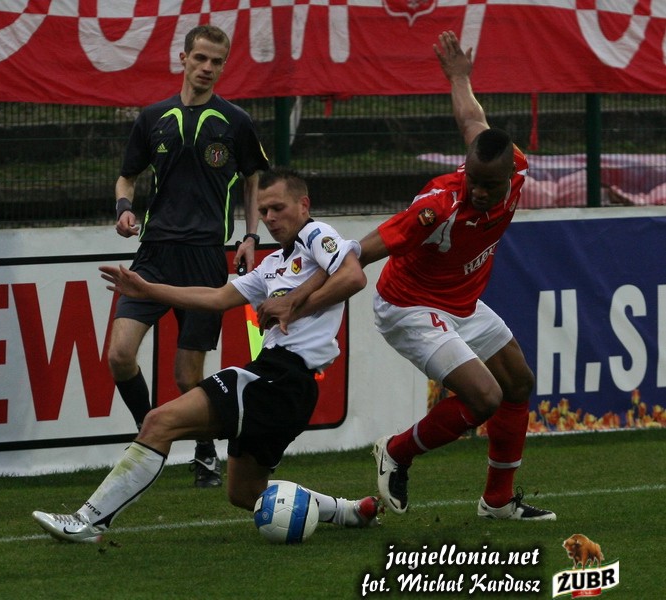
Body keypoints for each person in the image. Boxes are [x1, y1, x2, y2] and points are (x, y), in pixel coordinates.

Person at [32, 168, 381, 543]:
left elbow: (353, 277)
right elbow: (216, 298)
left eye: (278, 208)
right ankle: (347, 511)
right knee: (244, 494)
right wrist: (149, 290)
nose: (269, 218)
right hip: (284, 388)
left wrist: (292, 304)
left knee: (159, 421)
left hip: (280, 376)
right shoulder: (272, 264)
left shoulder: (316, 234)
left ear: (304, 205)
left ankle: (88, 522)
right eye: (263, 211)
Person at [357, 31, 556, 520]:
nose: (480, 192)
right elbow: (362, 250)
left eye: (490, 185)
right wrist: (301, 294)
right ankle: (396, 452)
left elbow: (473, 122)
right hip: (409, 305)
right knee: (484, 396)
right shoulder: (439, 206)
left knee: (516, 383)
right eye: (473, 181)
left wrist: (460, 77)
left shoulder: (515, 171)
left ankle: (498, 501)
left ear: (510, 176)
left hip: (459, 303)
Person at [111, 25, 270, 488]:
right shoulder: (152, 117)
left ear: (223, 66)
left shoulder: (236, 121)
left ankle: (205, 450)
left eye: (216, 62)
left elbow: (253, 179)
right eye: (200, 58)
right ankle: (149, 436)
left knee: (187, 377)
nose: (207, 68)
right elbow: (126, 177)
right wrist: (124, 208)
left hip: (204, 257)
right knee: (120, 355)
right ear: (183, 59)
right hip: (154, 255)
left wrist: (251, 235)